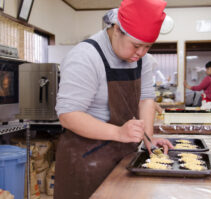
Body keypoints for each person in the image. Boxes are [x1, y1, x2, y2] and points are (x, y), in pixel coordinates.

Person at [54, 0, 173, 198]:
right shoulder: (85, 57)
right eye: (136, 45)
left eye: (148, 47)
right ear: (117, 29)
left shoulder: (142, 59)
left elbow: (145, 99)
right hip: (86, 160)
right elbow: (68, 115)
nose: (141, 53)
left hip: (124, 156)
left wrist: (148, 139)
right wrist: (119, 132)